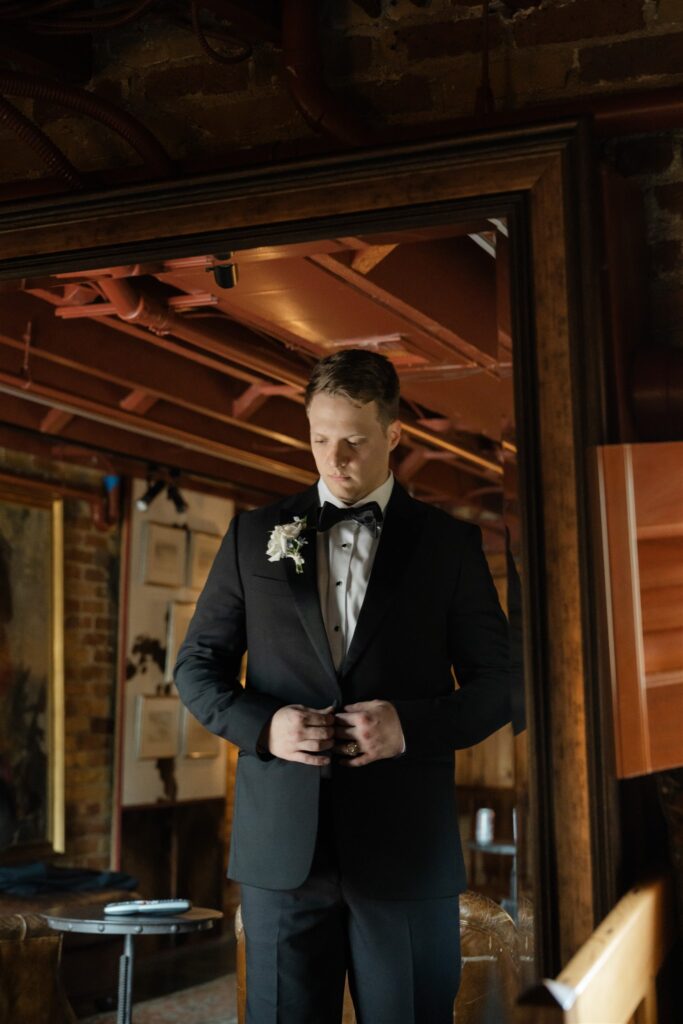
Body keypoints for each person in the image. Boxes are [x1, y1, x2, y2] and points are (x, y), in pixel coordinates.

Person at [174, 349, 512, 1024]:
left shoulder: (448, 546)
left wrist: (408, 725)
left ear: (393, 435)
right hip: (281, 858)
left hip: (405, 854)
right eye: (320, 439)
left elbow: (502, 683)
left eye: (354, 442)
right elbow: (196, 667)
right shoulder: (252, 536)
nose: (335, 459)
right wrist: (265, 726)